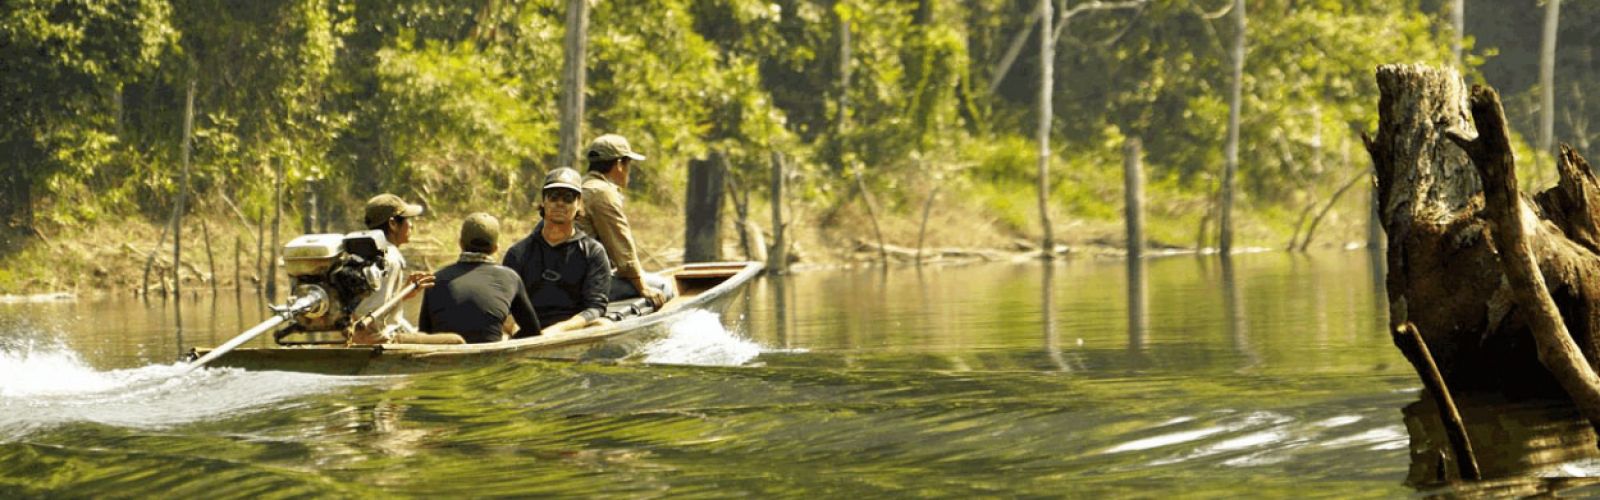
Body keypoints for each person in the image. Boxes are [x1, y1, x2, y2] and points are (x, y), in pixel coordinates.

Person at [502, 168, 613, 334]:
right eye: (554, 196)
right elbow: (504, 303)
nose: (560, 203)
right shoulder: (518, 253)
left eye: (568, 198)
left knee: (603, 325)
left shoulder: (593, 252)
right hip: (525, 331)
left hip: (571, 331)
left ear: (579, 203)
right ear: (543, 201)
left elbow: (596, 307)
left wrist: (558, 330)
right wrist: (518, 330)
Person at [576, 133, 676, 308]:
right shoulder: (603, 192)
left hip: (567, 278)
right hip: (584, 285)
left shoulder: (579, 185)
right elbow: (622, 251)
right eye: (629, 163)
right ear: (620, 164)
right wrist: (643, 288)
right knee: (664, 287)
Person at [418, 213, 541, 343]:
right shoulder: (510, 278)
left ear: (460, 243)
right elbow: (532, 331)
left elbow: (424, 333)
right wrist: (509, 342)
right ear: (495, 248)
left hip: (445, 359)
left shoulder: (435, 279)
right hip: (493, 358)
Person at [350, 193, 435, 344]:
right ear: (393, 224)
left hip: (364, 336)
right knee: (456, 341)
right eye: (408, 220)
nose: (412, 225)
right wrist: (378, 339)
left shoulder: (359, 254)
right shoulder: (391, 257)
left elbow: (368, 303)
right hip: (379, 340)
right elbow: (368, 314)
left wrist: (402, 294)